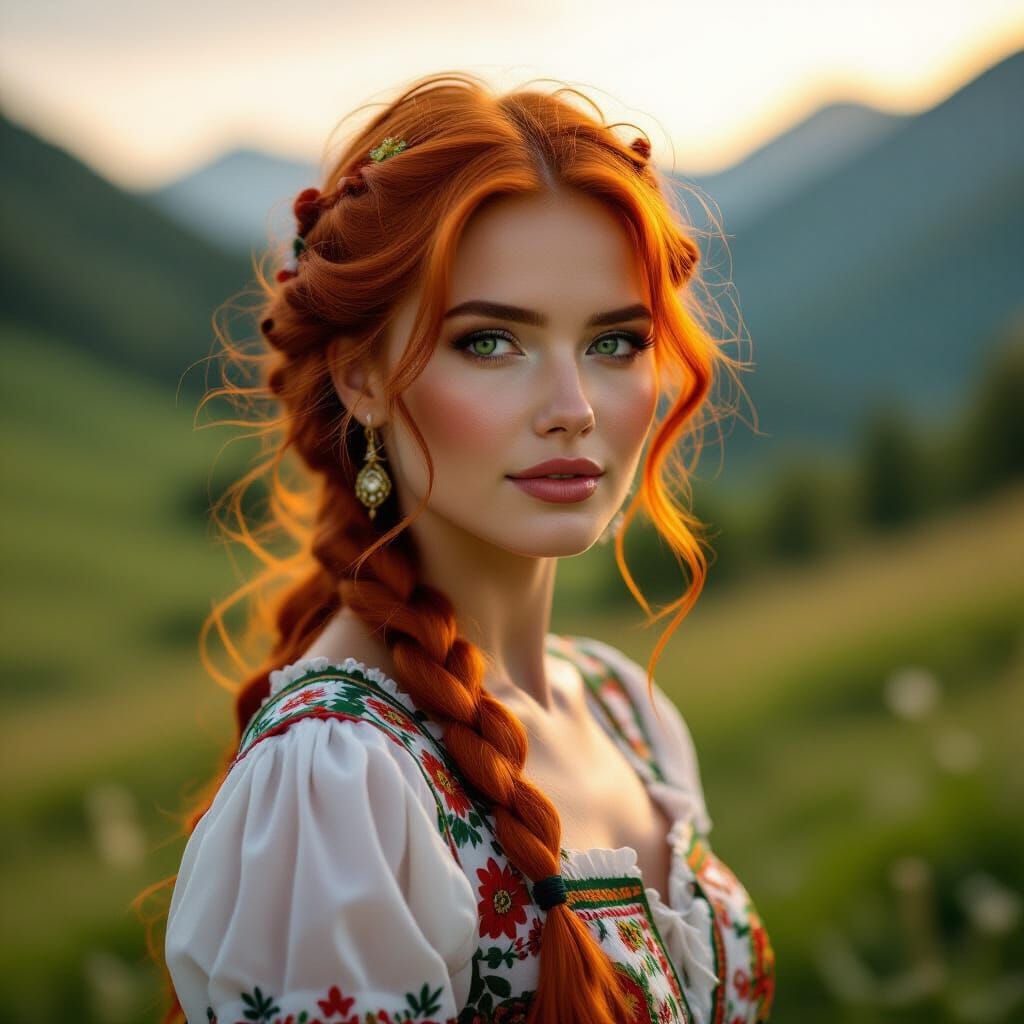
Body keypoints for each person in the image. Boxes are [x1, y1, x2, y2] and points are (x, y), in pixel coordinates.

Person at [147, 71, 775, 1024]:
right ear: (361, 377)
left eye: (615, 343)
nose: (573, 409)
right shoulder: (341, 783)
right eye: (490, 343)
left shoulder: (623, 708)